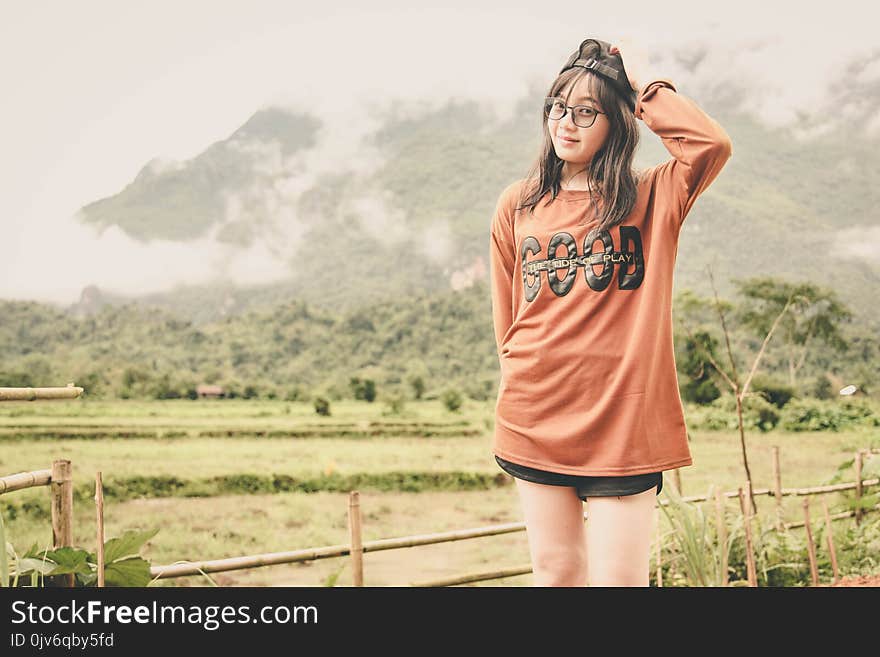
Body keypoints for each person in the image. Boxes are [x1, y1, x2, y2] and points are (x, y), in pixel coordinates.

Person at [488, 37, 732, 587]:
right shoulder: (518, 203)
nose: (565, 123)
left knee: (619, 583)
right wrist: (518, 378)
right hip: (536, 414)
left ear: (618, 122)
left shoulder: (654, 196)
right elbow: (508, 317)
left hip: (624, 423)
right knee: (557, 575)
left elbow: (709, 146)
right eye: (557, 107)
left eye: (586, 112)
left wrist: (645, 84)